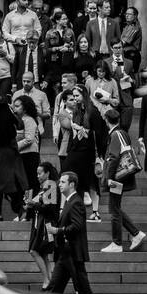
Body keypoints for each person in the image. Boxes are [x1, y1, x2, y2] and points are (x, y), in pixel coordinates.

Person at [100, 107, 147, 254]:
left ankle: (117, 242)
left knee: (114, 209)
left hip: (117, 177)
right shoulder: (123, 133)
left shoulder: (115, 134)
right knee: (115, 207)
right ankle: (135, 233)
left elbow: (113, 157)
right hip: (122, 176)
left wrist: (109, 178)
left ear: (106, 120)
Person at [57, 86, 105, 222]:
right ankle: (63, 209)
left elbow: (99, 133)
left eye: (77, 96)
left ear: (84, 95)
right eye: (73, 96)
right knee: (66, 175)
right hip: (76, 149)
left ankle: (95, 212)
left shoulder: (93, 111)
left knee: (92, 181)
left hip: (89, 151)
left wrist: (99, 155)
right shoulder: (77, 111)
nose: (75, 99)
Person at [45, 171, 93, 294]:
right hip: (65, 253)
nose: (59, 184)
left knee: (83, 289)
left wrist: (58, 230)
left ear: (71, 184)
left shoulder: (76, 202)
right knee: (55, 287)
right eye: (59, 182)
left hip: (73, 253)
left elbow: (77, 226)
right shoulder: (69, 201)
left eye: (62, 182)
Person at [25, 161, 60, 286]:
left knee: (34, 251)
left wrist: (34, 204)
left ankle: (46, 280)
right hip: (39, 223)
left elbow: (49, 207)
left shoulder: (51, 185)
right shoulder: (45, 187)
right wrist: (30, 205)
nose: (38, 176)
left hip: (45, 224)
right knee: (43, 254)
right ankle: (50, 280)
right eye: (37, 174)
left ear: (47, 173)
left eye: (40, 173)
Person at [1, 0, 41, 80]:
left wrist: (32, 39)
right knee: (15, 71)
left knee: (29, 68)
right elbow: (4, 32)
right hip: (14, 46)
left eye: (27, 0)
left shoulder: (33, 15)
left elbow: (38, 29)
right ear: (17, 1)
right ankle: (15, 85)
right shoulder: (9, 16)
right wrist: (15, 39)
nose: (27, 2)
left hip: (30, 45)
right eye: (24, 0)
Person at [101, 41, 137, 132]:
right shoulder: (106, 62)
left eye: (119, 47)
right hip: (112, 98)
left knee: (125, 126)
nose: (118, 50)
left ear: (122, 48)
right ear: (111, 48)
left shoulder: (129, 62)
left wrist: (131, 80)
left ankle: (124, 140)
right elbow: (103, 81)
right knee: (112, 128)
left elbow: (135, 82)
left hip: (126, 99)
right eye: (115, 48)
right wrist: (112, 71)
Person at [14, 94, 43, 197]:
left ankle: (30, 203)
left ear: (25, 108)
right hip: (23, 155)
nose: (15, 109)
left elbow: (29, 139)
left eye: (17, 106)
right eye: (14, 106)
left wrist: (14, 146)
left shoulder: (28, 119)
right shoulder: (21, 120)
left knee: (30, 181)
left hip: (29, 155)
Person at [17, 71, 52, 137]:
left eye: (28, 81)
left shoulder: (42, 95)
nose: (25, 83)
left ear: (33, 82)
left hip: (36, 130)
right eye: (24, 81)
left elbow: (48, 114)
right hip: (20, 131)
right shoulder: (16, 94)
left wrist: (38, 114)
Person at [120, 5, 143, 74]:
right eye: (126, 14)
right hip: (126, 54)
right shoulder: (127, 26)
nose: (127, 16)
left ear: (135, 16)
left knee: (130, 76)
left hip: (131, 55)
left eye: (129, 14)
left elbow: (123, 42)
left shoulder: (134, 27)